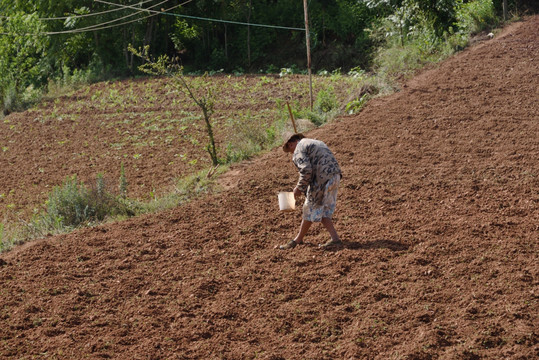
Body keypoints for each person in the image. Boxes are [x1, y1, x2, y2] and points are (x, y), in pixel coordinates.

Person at [279, 133, 342, 250]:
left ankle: (297, 240)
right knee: (323, 209)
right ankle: (334, 239)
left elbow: (306, 170)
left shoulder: (298, 149)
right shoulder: (314, 142)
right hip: (335, 176)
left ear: (291, 144)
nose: (291, 154)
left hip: (322, 178)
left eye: (290, 151)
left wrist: (299, 188)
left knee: (310, 207)